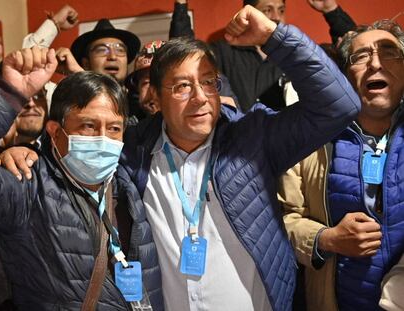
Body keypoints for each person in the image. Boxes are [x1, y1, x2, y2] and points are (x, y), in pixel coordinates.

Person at [116, 4, 360, 310]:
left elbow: (339, 106)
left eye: (208, 82)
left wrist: (274, 37)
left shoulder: (252, 139)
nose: (201, 97)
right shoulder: (133, 152)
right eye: (182, 86)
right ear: (156, 96)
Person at [0, 46, 146, 310]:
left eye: (114, 128)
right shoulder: (26, 185)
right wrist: (8, 96)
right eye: (88, 125)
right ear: (55, 132)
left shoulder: (132, 184)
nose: (103, 138)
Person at [278, 19, 404, 311]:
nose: (375, 63)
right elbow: (282, 219)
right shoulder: (310, 142)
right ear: (345, 75)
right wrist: (326, 238)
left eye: (388, 52)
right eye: (360, 56)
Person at [169, 0, 356, 112]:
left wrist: (331, 9)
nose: (276, 17)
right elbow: (184, 57)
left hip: (292, 147)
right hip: (242, 148)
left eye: (281, 10)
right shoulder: (224, 51)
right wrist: (181, 4)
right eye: (267, 10)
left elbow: (351, 52)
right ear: (249, 13)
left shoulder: (295, 52)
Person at [68, 18, 140, 83]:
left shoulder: (141, 96)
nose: (113, 57)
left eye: (120, 50)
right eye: (102, 50)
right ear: (86, 64)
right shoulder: (75, 97)